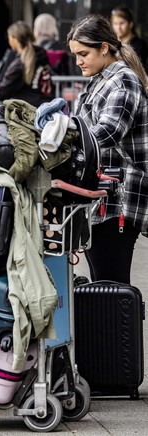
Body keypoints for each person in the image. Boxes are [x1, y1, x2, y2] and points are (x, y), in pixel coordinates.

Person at [68, 14, 148, 284]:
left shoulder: (123, 80)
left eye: (83, 53)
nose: (78, 60)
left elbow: (106, 132)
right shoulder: (101, 79)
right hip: (103, 199)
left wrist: (61, 141)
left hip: (119, 201)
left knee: (110, 289)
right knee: (104, 287)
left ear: (104, 47)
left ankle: (117, 328)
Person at [0, 21, 53, 108]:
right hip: (46, 106)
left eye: (9, 37)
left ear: (14, 39)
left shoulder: (20, 63)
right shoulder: (41, 55)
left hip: (27, 111)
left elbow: (1, 92)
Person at [110, 6, 148, 70]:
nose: (118, 28)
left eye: (122, 23)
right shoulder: (112, 44)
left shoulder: (140, 45)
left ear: (130, 24)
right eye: (115, 24)